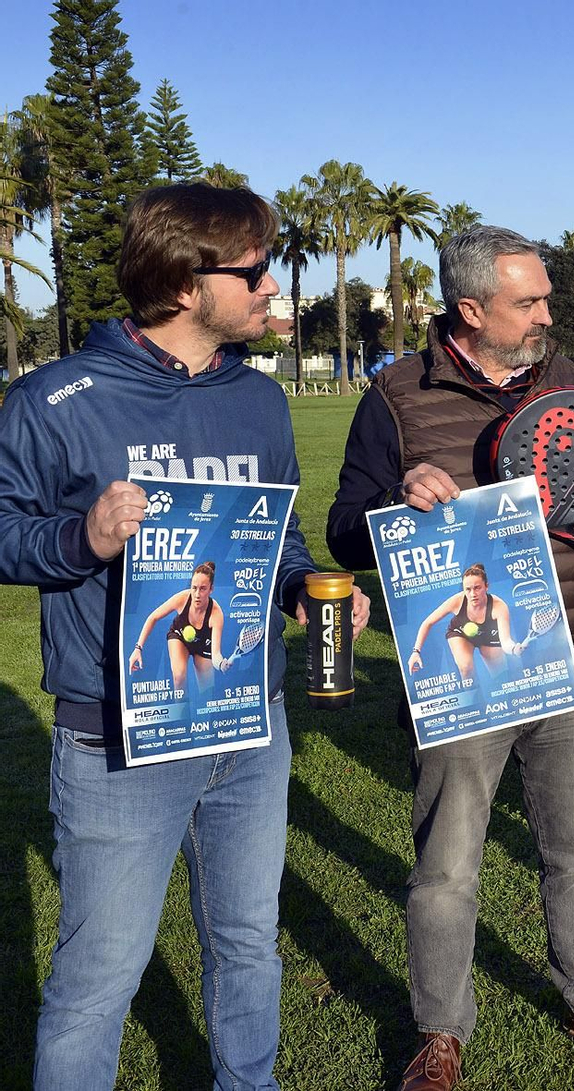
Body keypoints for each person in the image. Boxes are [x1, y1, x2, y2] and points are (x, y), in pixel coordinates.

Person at [0, 182, 371, 1091]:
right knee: (99, 977)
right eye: (254, 271)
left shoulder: (258, 402)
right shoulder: (55, 400)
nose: (271, 288)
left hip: (250, 721)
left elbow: (278, 539)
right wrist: (79, 537)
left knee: (246, 943)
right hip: (121, 734)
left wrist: (301, 593)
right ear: (181, 283)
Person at [326, 225, 574, 1090]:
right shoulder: (396, 395)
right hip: (459, 669)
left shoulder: (569, 382)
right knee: (447, 863)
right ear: (471, 309)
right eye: (531, 302)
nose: (549, 313)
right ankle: (441, 1032)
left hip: (569, 654)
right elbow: (342, 524)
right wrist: (394, 500)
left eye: (546, 296)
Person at [128, 560, 232, 701]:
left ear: (211, 589)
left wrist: (221, 664)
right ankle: (181, 718)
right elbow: (153, 617)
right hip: (179, 637)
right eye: (194, 587)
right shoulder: (182, 598)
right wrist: (138, 648)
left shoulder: (216, 613)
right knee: (179, 676)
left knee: (207, 693)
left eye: (203, 588)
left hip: (203, 645)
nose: (197, 594)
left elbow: (216, 654)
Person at [408, 563, 527, 682]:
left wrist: (514, 649)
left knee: (500, 676)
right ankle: (474, 698)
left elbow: (505, 641)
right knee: (466, 668)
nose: (472, 594)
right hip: (460, 633)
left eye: (477, 588)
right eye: (468, 589)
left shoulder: (499, 607)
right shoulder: (457, 601)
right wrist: (415, 652)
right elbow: (427, 623)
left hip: (488, 635)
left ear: (486, 586)